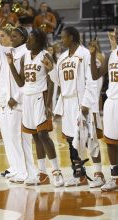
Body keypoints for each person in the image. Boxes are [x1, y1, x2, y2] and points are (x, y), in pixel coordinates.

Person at [6, 29, 64, 187]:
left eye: (30, 39)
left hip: (40, 97)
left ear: (38, 41)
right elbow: (20, 83)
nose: (28, 42)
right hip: (28, 99)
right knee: (35, 137)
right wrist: (11, 64)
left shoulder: (45, 55)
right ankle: (43, 174)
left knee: (44, 136)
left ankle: (57, 172)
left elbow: (52, 81)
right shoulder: (25, 57)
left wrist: (49, 104)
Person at [48, 26, 105, 187]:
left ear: (71, 38)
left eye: (64, 37)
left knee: (90, 139)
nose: (61, 40)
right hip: (68, 103)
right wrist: (51, 69)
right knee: (72, 140)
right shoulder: (62, 57)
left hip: (82, 102)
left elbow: (92, 80)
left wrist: (86, 103)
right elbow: (58, 82)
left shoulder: (85, 54)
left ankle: (99, 173)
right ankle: (79, 174)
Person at [0, 22, 37, 184]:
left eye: (9, 36)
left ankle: (25, 172)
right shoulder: (9, 51)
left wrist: (16, 97)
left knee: (19, 138)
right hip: (4, 100)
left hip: (17, 102)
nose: (8, 39)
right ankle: (17, 168)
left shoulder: (24, 53)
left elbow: (25, 80)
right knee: (10, 137)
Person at [90, 28, 118, 191]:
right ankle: (115, 178)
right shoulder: (111, 55)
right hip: (112, 102)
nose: (116, 35)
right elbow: (95, 75)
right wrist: (93, 55)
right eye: (116, 33)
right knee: (111, 142)